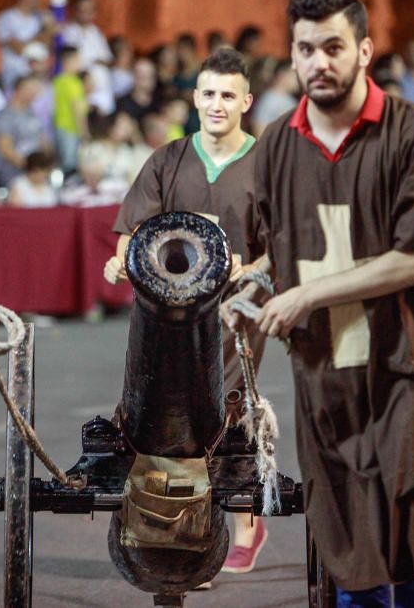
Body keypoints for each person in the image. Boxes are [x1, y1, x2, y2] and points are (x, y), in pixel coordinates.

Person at [222, 0, 414, 606]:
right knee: (348, 548)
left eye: (333, 47)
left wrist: (306, 297)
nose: (318, 62)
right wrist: (253, 288)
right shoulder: (277, 142)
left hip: (412, 369)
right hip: (326, 375)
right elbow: (281, 251)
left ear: (364, 51)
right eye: (305, 49)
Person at [105, 47, 272, 577]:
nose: (217, 104)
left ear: (245, 101)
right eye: (208, 94)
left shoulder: (265, 165)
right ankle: (173, 515)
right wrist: (119, 260)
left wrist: (252, 270)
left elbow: (284, 244)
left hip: (237, 309)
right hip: (168, 311)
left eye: (228, 95)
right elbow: (134, 231)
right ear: (194, 98)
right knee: (168, 408)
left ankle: (245, 520)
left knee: (227, 404)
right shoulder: (168, 159)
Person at [0, 0, 56, 91]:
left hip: (39, 77)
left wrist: (48, 27)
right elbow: (18, 48)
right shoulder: (5, 19)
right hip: (15, 77)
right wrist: (42, 36)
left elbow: (47, 45)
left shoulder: (39, 18)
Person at [0, 74, 51, 187]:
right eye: (30, 89)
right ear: (18, 90)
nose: (34, 93)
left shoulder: (32, 114)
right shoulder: (6, 115)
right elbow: (5, 148)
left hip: (37, 174)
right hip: (15, 175)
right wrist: (31, 168)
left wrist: (46, 165)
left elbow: (43, 141)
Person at [53, 47, 89, 175]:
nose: (80, 63)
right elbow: (77, 110)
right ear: (67, 62)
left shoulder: (57, 81)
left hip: (60, 127)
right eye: (77, 60)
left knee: (63, 162)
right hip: (71, 129)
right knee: (70, 165)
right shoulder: (73, 82)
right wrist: (84, 133)